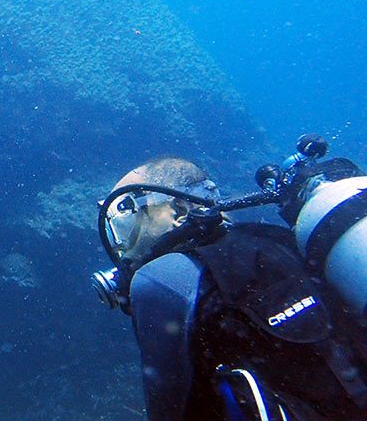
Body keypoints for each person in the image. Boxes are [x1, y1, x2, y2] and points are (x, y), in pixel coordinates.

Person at [94, 157, 367, 421]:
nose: (122, 249)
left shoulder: (162, 280)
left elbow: (174, 412)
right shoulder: (277, 240)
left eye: (125, 221)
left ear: (177, 210)